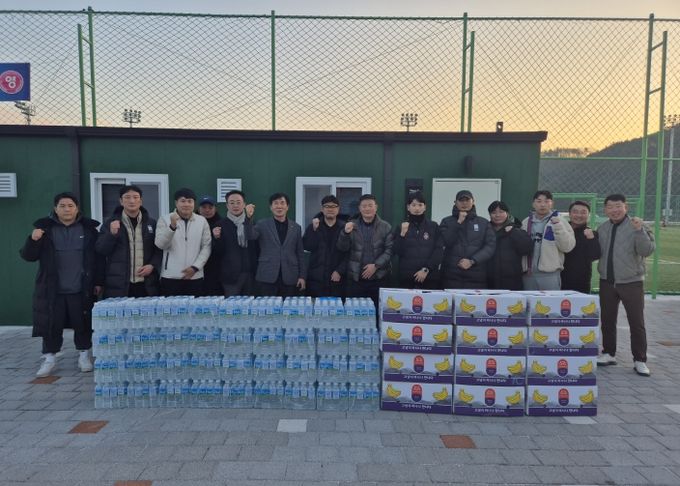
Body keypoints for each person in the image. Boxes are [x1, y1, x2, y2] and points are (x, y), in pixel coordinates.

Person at [19, 192, 103, 377]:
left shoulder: (89, 230)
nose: (67, 209)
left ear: (77, 208)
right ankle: (49, 359)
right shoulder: (44, 230)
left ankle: (83, 356)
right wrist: (33, 240)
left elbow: (97, 258)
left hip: (80, 288)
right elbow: (28, 256)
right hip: (53, 289)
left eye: (70, 206)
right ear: (55, 209)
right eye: (62, 206)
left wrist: (98, 281)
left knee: (83, 323)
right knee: (51, 325)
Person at [596, 194, 655, 376]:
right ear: (605, 209)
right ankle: (609, 353)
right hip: (607, 281)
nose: (614, 210)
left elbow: (647, 250)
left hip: (631, 282)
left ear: (625, 207)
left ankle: (640, 359)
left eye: (618, 206)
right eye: (610, 207)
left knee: (636, 322)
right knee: (607, 320)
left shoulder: (638, 225)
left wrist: (639, 231)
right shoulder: (602, 228)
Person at [96, 185, 161, 298]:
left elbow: (159, 249)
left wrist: (152, 265)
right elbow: (101, 250)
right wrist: (111, 235)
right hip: (119, 284)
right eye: (127, 197)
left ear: (141, 201)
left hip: (146, 284)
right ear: (121, 201)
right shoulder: (110, 223)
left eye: (135, 197)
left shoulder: (151, 223)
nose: (132, 201)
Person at [337, 194, 393, 308]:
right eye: (364, 206)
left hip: (378, 279)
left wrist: (376, 266)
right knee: (355, 313)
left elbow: (390, 250)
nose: (367, 208)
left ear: (376, 207)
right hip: (356, 280)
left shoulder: (385, 226)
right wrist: (345, 233)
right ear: (359, 208)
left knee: (377, 313)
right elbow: (342, 248)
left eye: (370, 205)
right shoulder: (351, 225)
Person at [246, 192, 306, 296]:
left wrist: (302, 276)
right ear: (271, 207)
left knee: (288, 305)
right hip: (267, 275)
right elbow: (250, 236)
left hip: (290, 276)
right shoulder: (262, 224)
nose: (279, 206)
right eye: (276, 203)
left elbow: (300, 253)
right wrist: (248, 218)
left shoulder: (296, 227)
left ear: (287, 207)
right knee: (267, 305)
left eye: (282, 203)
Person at [155, 188, 212, 296]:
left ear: (194, 204)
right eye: (183, 201)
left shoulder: (202, 221)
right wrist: (172, 227)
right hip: (170, 277)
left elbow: (206, 246)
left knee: (194, 307)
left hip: (195, 276)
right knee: (171, 307)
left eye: (190, 201)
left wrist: (195, 267)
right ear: (176, 203)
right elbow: (160, 244)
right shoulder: (165, 219)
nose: (186, 204)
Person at [439, 190, 495, 289]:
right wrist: (458, 222)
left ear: (473, 201)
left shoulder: (484, 223)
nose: (464, 203)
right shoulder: (446, 221)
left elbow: (490, 246)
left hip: (476, 276)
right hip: (451, 276)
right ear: (455, 202)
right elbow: (445, 242)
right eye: (461, 200)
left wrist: (472, 261)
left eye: (467, 200)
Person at [521, 190, 575, 290]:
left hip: (550, 275)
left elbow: (567, 247)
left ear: (552, 203)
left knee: (551, 300)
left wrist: (558, 227)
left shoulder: (560, 221)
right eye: (539, 201)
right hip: (528, 275)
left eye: (546, 201)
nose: (543, 205)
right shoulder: (526, 222)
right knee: (529, 300)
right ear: (533, 204)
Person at [212, 190, 259, 297]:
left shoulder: (252, 223)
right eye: (232, 203)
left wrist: (248, 220)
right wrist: (217, 238)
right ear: (227, 205)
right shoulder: (220, 225)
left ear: (244, 204)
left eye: (238, 202)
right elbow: (218, 252)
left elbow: (257, 247)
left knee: (250, 305)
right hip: (230, 276)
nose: (235, 206)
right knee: (231, 306)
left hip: (251, 274)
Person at [392, 191, 443, 289]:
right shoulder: (401, 227)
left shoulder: (433, 226)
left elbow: (439, 250)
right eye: (414, 205)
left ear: (425, 207)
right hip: (407, 279)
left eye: (420, 205)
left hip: (429, 278)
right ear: (408, 207)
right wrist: (402, 234)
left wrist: (426, 269)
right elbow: (397, 251)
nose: (417, 208)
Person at [302, 195, 348, 297]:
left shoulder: (344, 227)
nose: (330, 209)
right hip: (316, 279)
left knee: (336, 306)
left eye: (333, 206)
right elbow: (307, 246)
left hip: (338, 279)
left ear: (338, 209)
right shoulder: (314, 226)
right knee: (316, 306)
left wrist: (339, 270)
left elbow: (350, 252)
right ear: (322, 209)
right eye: (327, 206)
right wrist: (314, 230)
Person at [486, 200, 532, 290]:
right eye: (494, 212)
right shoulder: (485, 230)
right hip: (489, 281)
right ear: (490, 215)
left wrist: (513, 232)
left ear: (507, 213)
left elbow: (527, 249)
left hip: (512, 281)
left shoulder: (517, 229)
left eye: (501, 212)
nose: (497, 215)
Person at [561, 200, 601, 293]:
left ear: (588, 215)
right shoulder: (561, 231)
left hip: (581, 281)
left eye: (583, 212)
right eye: (575, 212)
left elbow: (595, 256)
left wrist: (591, 239)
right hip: (558, 279)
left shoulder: (591, 234)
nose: (579, 215)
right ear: (569, 214)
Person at [198, 195, 223, 296]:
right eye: (204, 207)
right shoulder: (193, 223)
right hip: (196, 267)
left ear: (215, 208)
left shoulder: (222, 224)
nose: (207, 210)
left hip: (216, 269)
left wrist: (217, 238)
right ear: (199, 209)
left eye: (210, 207)